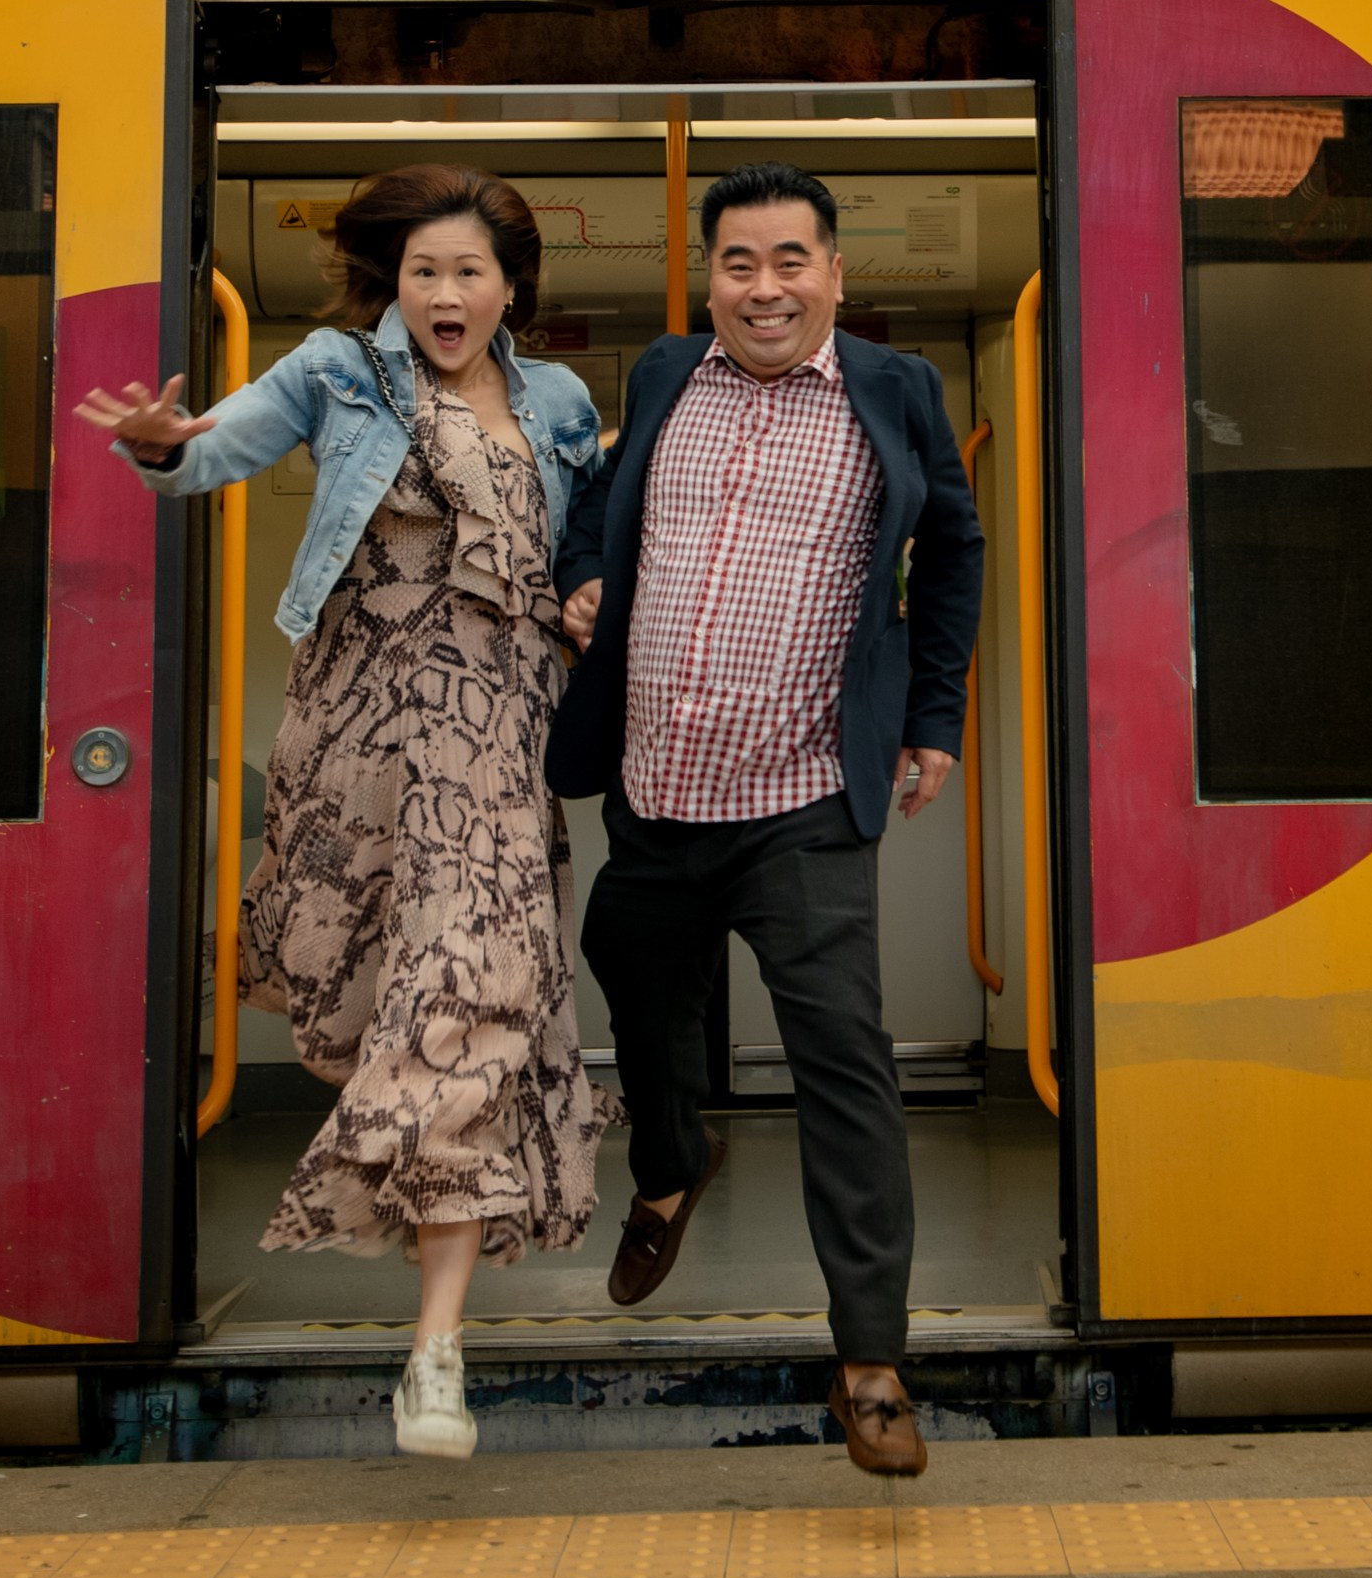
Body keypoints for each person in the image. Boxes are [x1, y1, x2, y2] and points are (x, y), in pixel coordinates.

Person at [75, 165, 616, 1462]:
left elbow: (593, 537)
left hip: (500, 734)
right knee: (374, 995)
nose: (445, 293)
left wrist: (587, 598)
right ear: (392, 280)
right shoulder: (336, 372)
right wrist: (158, 443)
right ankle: (428, 1266)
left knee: (472, 993)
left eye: (469, 272)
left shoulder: (559, 401)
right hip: (362, 733)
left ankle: (436, 1350)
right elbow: (214, 446)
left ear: (508, 286)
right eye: (422, 271)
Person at [548, 161, 984, 1478]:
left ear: (835, 275)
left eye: (790, 260)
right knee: (626, 972)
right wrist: (579, 577)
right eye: (739, 264)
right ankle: (671, 1161)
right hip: (657, 789)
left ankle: (868, 1359)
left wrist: (932, 715)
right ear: (711, 280)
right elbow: (588, 501)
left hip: (800, 799)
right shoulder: (662, 376)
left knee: (842, 1060)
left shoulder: (895, 395)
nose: (765, 287)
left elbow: (952, 548)